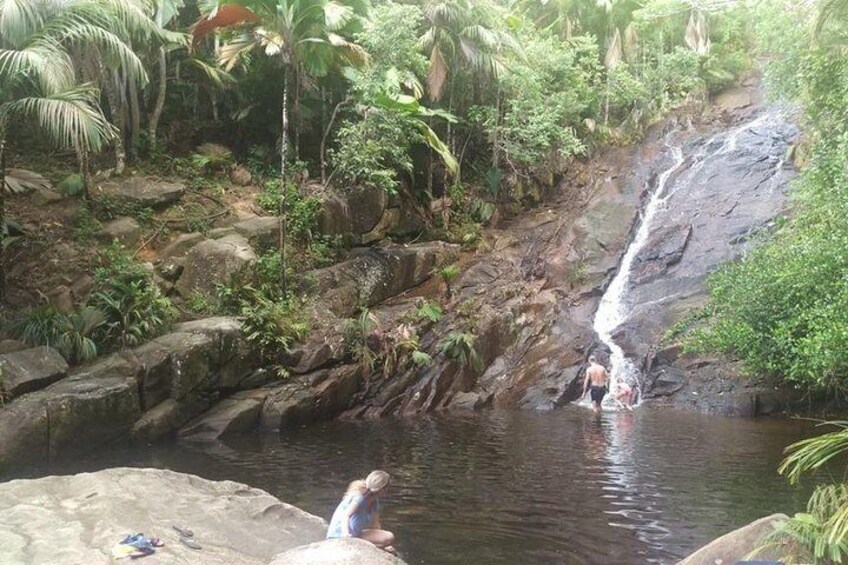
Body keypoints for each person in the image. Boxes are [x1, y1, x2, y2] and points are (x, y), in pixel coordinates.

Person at [327, 470, 396, 554]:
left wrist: (385, 544)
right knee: (373, 546)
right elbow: (346, 516)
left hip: (356, 535)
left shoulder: (374, 501)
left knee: (389, 537)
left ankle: (373, 546)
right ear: (382, 489)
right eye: (388, 487)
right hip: (340, 536)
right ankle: (368, 545)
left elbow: (375, 525)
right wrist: (346, 535)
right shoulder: (359, 498)